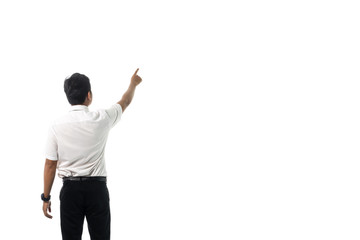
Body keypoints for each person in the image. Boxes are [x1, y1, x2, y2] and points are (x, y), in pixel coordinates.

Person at [41, 68, 142, 240]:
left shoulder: (56, 126)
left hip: (70, 191)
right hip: (97, 190)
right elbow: (125, 102)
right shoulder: (102, 118)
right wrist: (133, 83)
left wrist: (46, 198)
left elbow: (50, 164)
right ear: (89, 95)